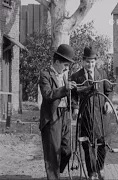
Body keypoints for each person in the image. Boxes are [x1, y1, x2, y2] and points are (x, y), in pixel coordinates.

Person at [71, 46, 113, 180]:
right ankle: (91, 173)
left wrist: (108, 102)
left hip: (101, 115)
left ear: (96, 61)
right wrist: (75, 107)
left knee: (103, 143)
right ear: (83, 61)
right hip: (86, 115)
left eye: (93, 62)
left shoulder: (102, 74)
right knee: (87, 145)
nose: (90, 65)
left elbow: (109, 90)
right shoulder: (76, 76)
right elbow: (73, 95)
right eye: (88, 62)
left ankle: (100, 168)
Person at [38, 44, 77, 180]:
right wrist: (64, 88)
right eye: (65, 65)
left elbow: (68, 95)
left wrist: (74, 106)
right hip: (51, 118)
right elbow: (48, 94)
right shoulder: (45, 75)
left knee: (67, 151)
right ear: (57, 62)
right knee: (52, 154)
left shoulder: (64, 76)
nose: (67, 68)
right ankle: (53, 175)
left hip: (64, 116)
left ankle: (55, 172)